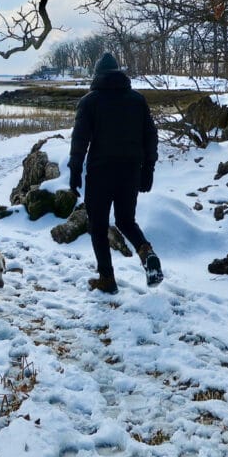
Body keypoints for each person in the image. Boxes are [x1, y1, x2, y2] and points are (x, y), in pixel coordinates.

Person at [68, 52, 162, 293]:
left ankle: (107, 279)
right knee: (126, 221)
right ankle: (147, 252)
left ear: (97, 75)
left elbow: (80, 141)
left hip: (100, 174)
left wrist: (75, 171)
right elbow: (150, 136)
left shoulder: (90, 101)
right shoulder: (137, 100)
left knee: (98, 226)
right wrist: (148, 169)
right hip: (130, 172)